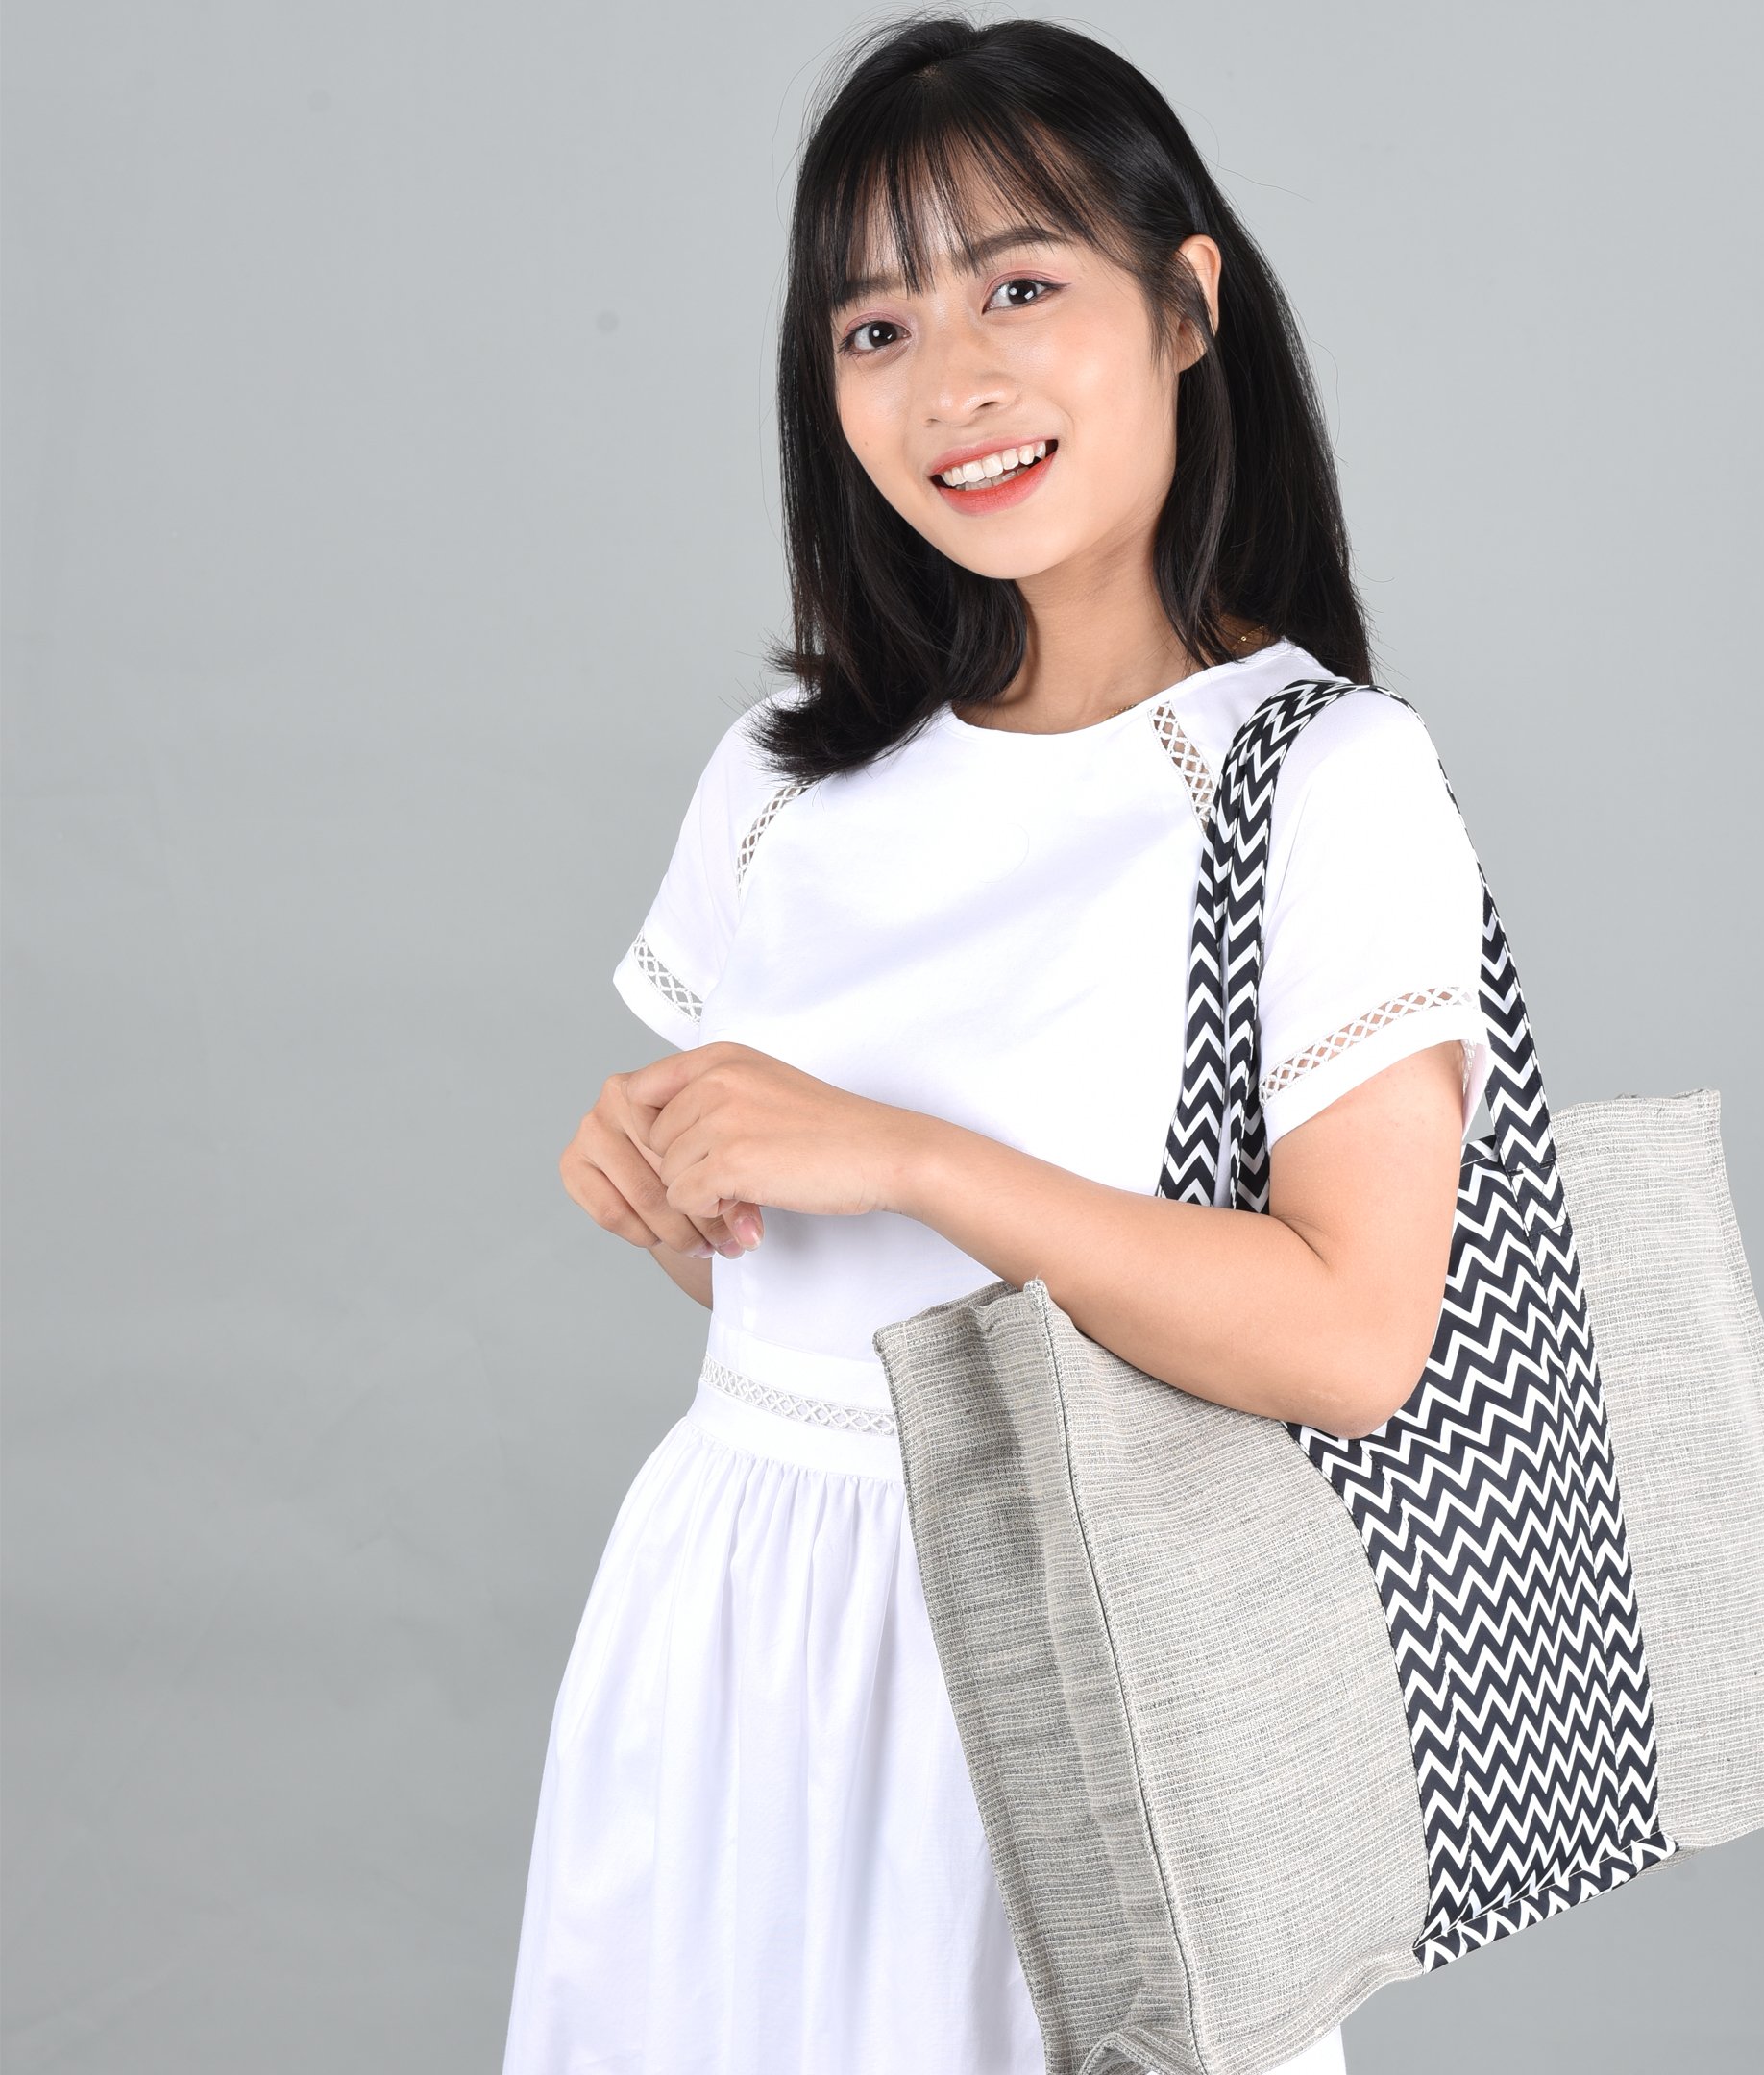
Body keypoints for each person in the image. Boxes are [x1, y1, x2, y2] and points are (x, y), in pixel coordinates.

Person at [502, 15, 1491, 2073]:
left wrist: (909, 1153)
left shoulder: (1320, 779)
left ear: (1186, 305)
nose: (950, 381)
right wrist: (675, 1187)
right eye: (875, 328)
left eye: (1020, 288)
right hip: (732, 1644)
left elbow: (1355, 1337)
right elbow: (801, 1305)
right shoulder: (784, 780)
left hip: (1078, 1673)